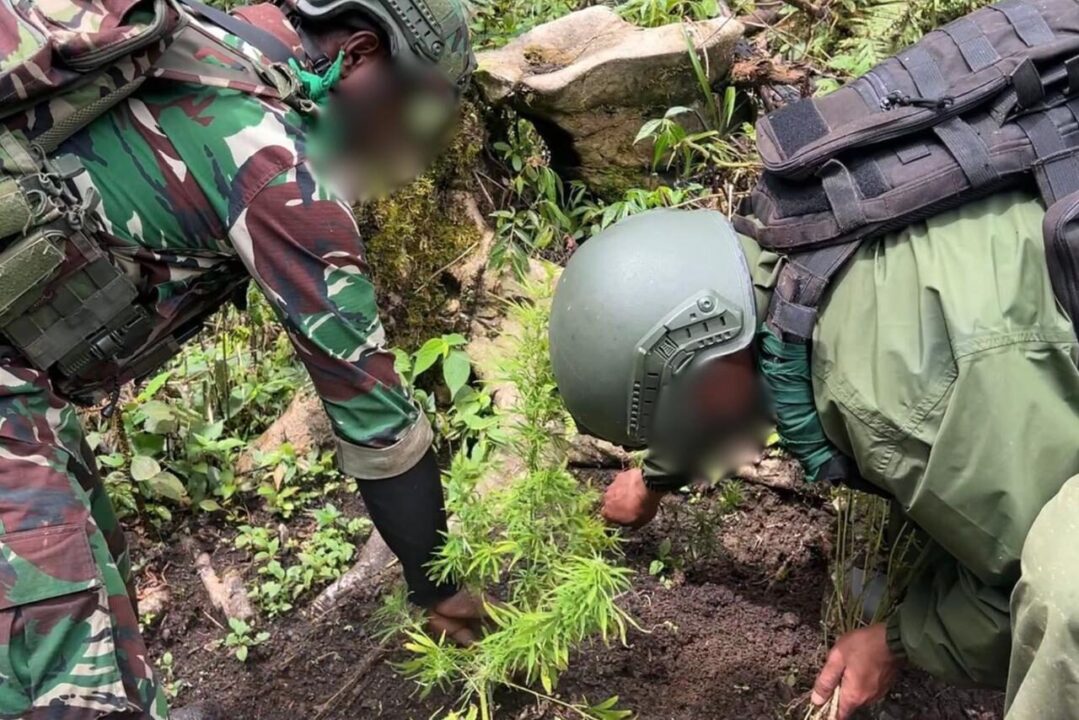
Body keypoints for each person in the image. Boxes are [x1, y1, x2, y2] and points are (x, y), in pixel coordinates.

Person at [0, 1, 484, 718]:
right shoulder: (279, 174)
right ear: (357, 55)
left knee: (90, 559)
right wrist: (438, 586)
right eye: (409, 108)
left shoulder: (208, 38)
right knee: (66, 666)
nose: (403, 138)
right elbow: (377, 424)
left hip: (21, 383)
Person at [548, 197, 1079, 720]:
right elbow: (744, 379)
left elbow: (1017, 587)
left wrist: (898, 641)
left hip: (1010, 414)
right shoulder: (795, 241)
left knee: (1062, 593)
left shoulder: (886, 404)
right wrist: (656, 478)